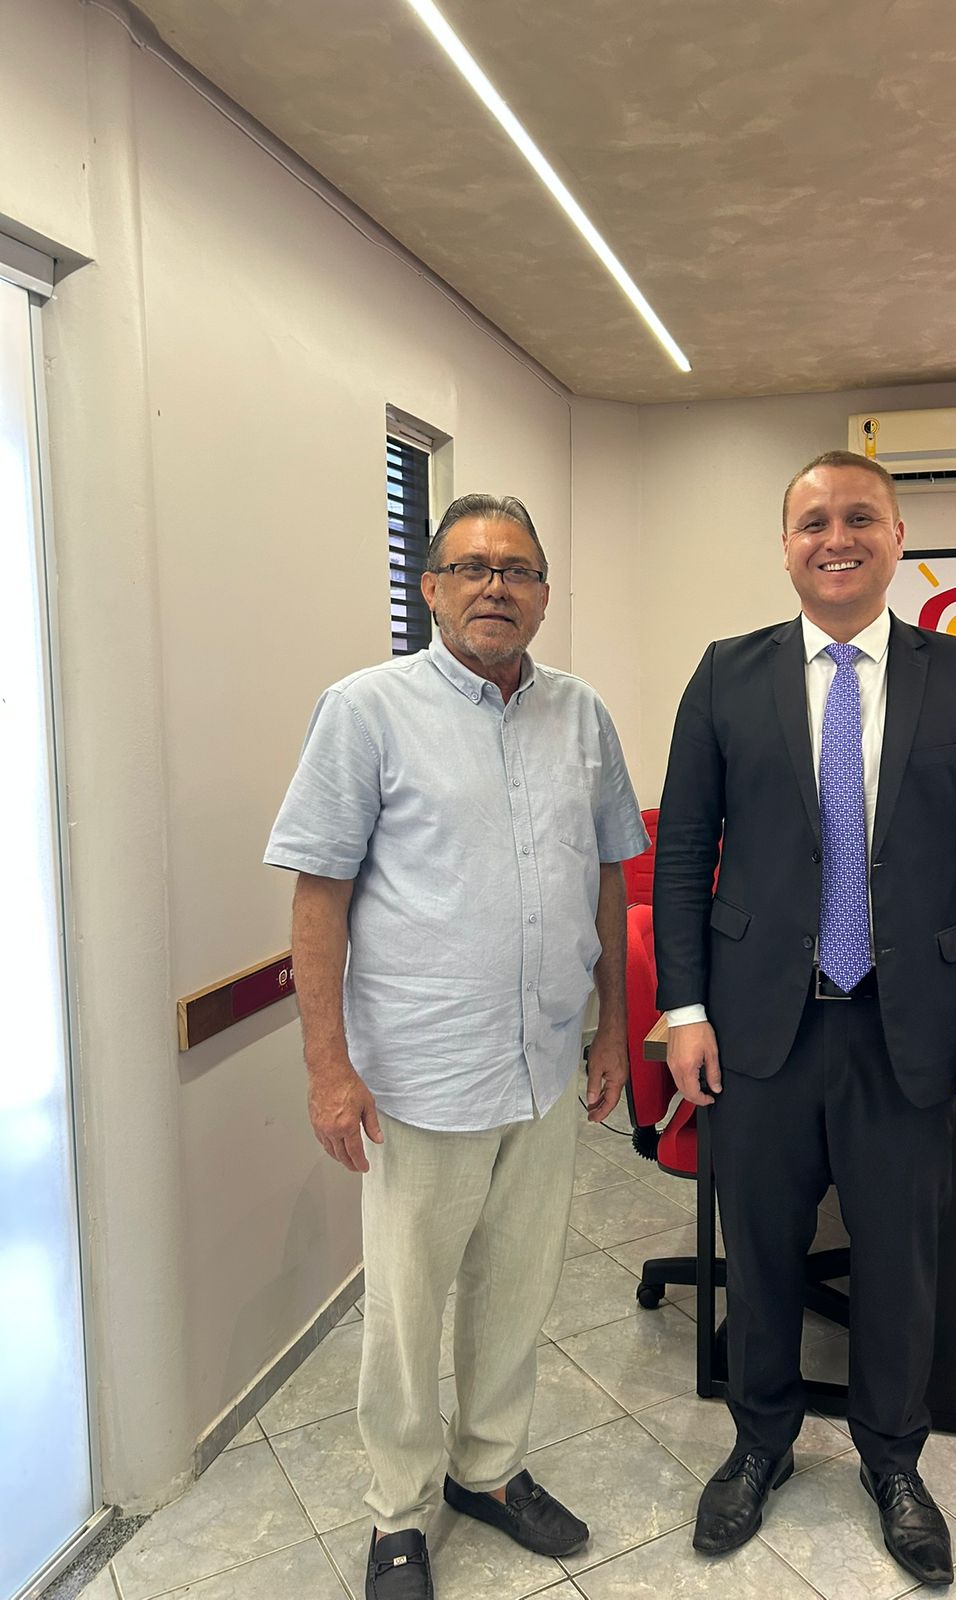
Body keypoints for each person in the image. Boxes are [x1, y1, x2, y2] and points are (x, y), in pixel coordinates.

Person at [653, 450, 956, 1587]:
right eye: (813, 521)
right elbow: (683, 852)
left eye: (860, 517)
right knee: (761, 1251)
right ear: (786, 546)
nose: (837, 537)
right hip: (758, 1027)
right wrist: (684, 1007)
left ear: (897, 535)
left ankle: (894, 1460)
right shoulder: (725, 673)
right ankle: (759, 1442)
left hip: (906, 1025)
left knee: (900, 1262)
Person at [265, 493, 648, 1600]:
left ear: (544, 596)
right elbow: (319, 896)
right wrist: (327, 1067)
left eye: (517, 570)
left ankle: (488, 1468)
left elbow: (609, 877)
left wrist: (613, 1031)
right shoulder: (365, 711)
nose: (495, 586)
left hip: (545, 1061)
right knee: (406, 1308)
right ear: (431, 588)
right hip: (420, 1075)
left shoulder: (582, 715)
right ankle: (398, 1510)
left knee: (516, 1289)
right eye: (472, 567)